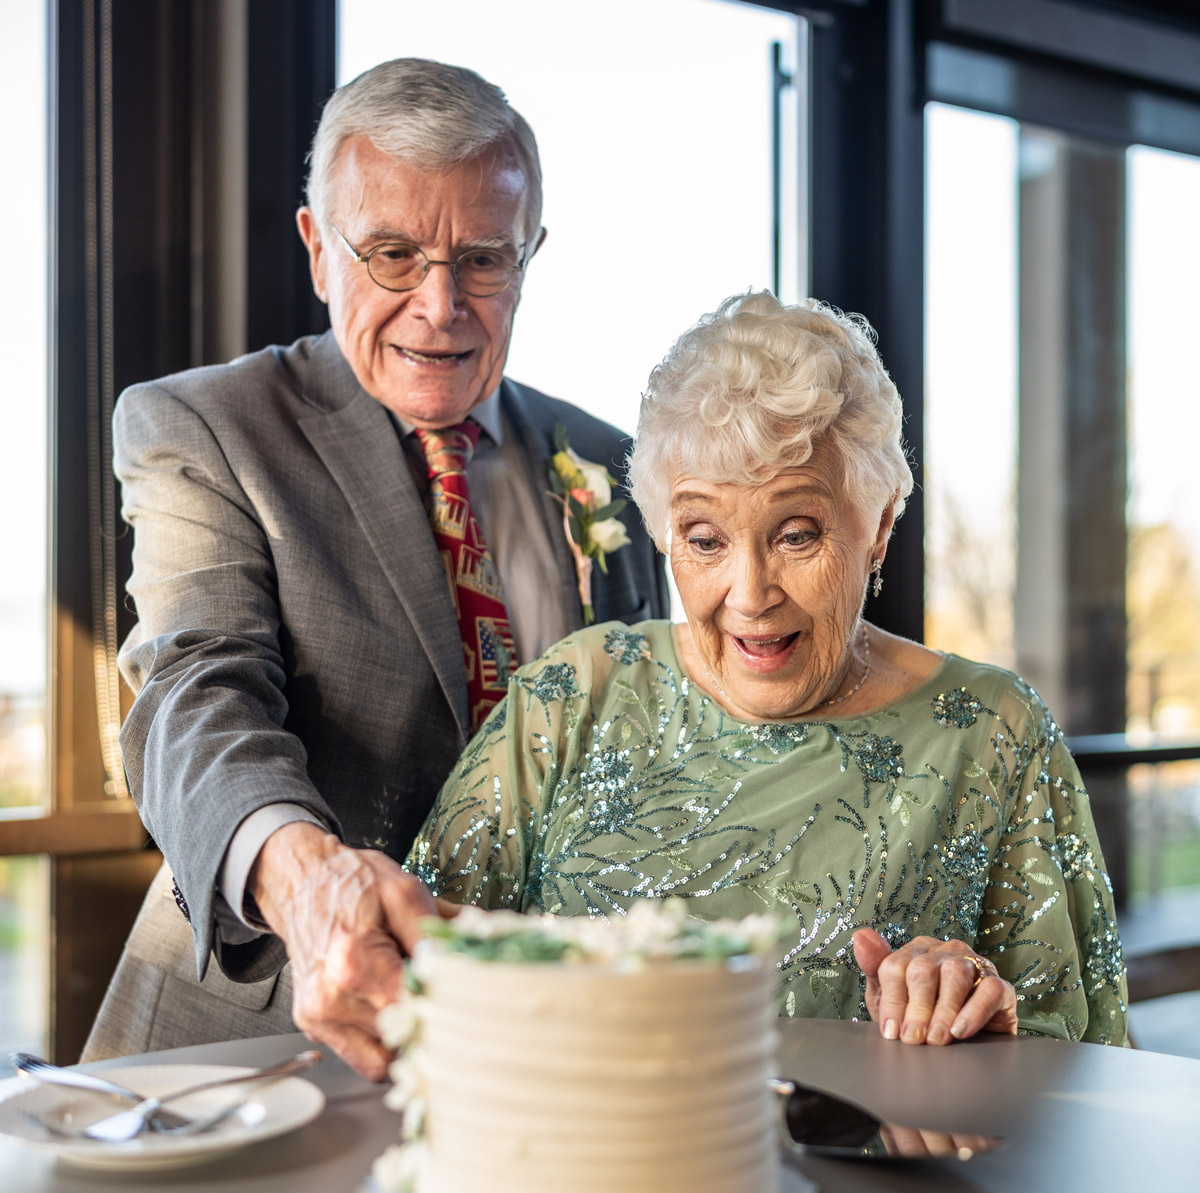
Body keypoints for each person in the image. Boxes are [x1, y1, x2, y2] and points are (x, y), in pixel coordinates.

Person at [84, 58, 668, 1078]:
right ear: (320, 250)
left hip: (536, 1056)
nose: (439, 305)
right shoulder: (206, 427)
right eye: (393, 254)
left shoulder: (614, 465)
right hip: (262, 1044)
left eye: (483, 259)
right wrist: (303, 883)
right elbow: (193, 690)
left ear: (529, 257)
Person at [403, 291, 1128, 1046]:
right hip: (589, 1151)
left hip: (876, 1166)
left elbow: (1080, 1055)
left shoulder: (991, 731)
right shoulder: (573, 694)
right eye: (706, 540)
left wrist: (979, 1015)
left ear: (877, 525)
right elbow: (414, 964)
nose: (750, 596)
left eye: (796, 534)